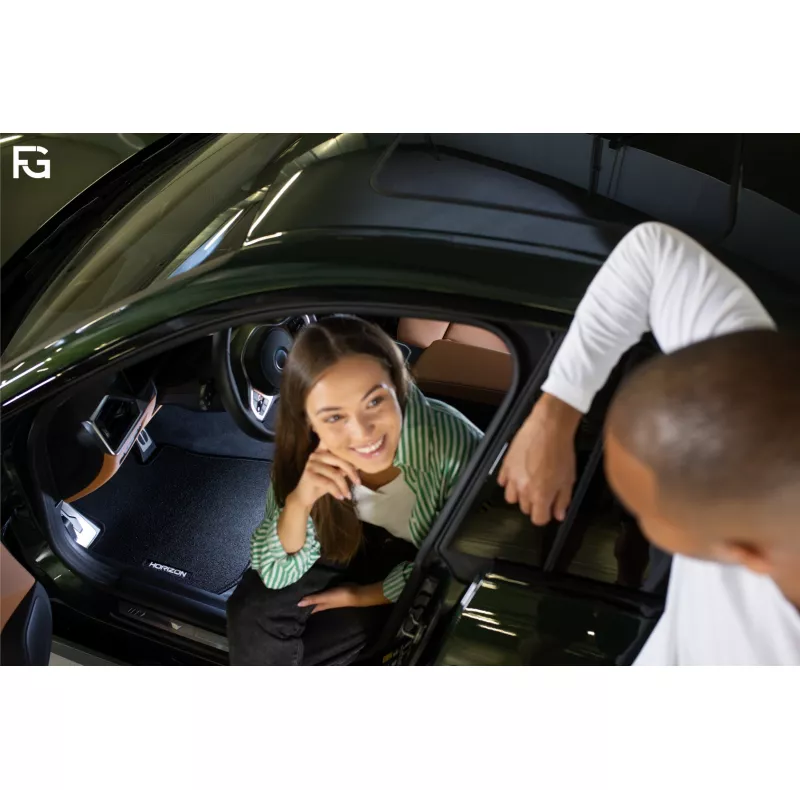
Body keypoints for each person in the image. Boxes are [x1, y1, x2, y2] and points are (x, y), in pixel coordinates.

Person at [499, 220, 800, 664]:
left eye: (642, 512)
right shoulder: (753, 392)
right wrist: (554, 413)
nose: (633, 522)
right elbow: (650, 253)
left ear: (742, 555)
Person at [227, 315, 483, 665]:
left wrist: (363, 596)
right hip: (346, 536)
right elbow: (273, 573)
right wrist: (300, 502)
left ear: (399, 386)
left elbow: (454, 567)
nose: (361, 432)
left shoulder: (454, 448)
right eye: (334, 416)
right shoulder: (304, 451)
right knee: (252, 613)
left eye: (374, 402)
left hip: (414, 558)